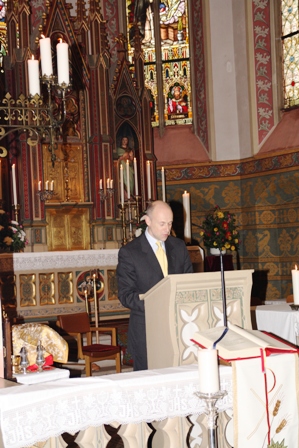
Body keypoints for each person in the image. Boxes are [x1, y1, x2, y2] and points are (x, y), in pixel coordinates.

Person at [116, 200, 193, 371]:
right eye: (162, 224)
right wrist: (156, 305)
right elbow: (126, 295)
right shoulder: (129, 252)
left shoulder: (179, 247)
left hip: (179, 328)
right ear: (147, 221)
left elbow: (189, 283)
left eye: (170, 223)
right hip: (147, 331)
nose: (167, 229)